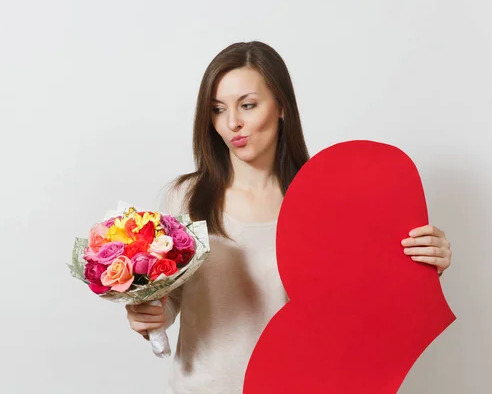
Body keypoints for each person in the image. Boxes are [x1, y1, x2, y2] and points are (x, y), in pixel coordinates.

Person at [125, 41, 453, 393]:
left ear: (281, 105)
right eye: (218, 109)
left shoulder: (327, 200)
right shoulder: (185, 198)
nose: (232, 123)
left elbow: (364, 303)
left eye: (247, 105)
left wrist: (424, 265)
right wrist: (148, 314)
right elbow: (171, 299)